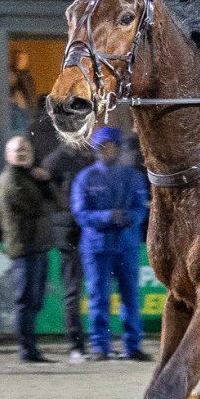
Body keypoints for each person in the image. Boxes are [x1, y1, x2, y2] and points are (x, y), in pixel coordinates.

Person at [71, 127, 150, 362]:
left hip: (126, 245)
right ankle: (100, 346)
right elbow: (80, 212)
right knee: (98, 297)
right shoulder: (85, 178)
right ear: (97, 150)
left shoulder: (133, 177)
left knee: (130, 296)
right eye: (103, 147)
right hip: (97, 247)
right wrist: (107, 217)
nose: (108, 150)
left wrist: (128, 218)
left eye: (112, 146)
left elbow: (141, 208)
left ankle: (132, 346)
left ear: (118, 148)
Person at [0, 136, 62, 363]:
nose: (22, 153)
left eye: (25, 149)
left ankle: (31, 348)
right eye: (17, 150)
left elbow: (57, 203)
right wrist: (44, 183)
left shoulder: (30, 176)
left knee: (35, 300)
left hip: (38, 245)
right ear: (8, 155)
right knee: (25, 300)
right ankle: (27, 349)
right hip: (25, 247)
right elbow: (38, 207)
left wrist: (45, 182)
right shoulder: (10, 179)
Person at [36, 127, 95, 362]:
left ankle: (97, 343)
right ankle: (76, 345)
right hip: (69, 231)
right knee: (72, 290)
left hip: (90, 228)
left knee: (93, 288)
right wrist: (62, 215)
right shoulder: (55, 161)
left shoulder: (89, 158)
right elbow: (47, 197)